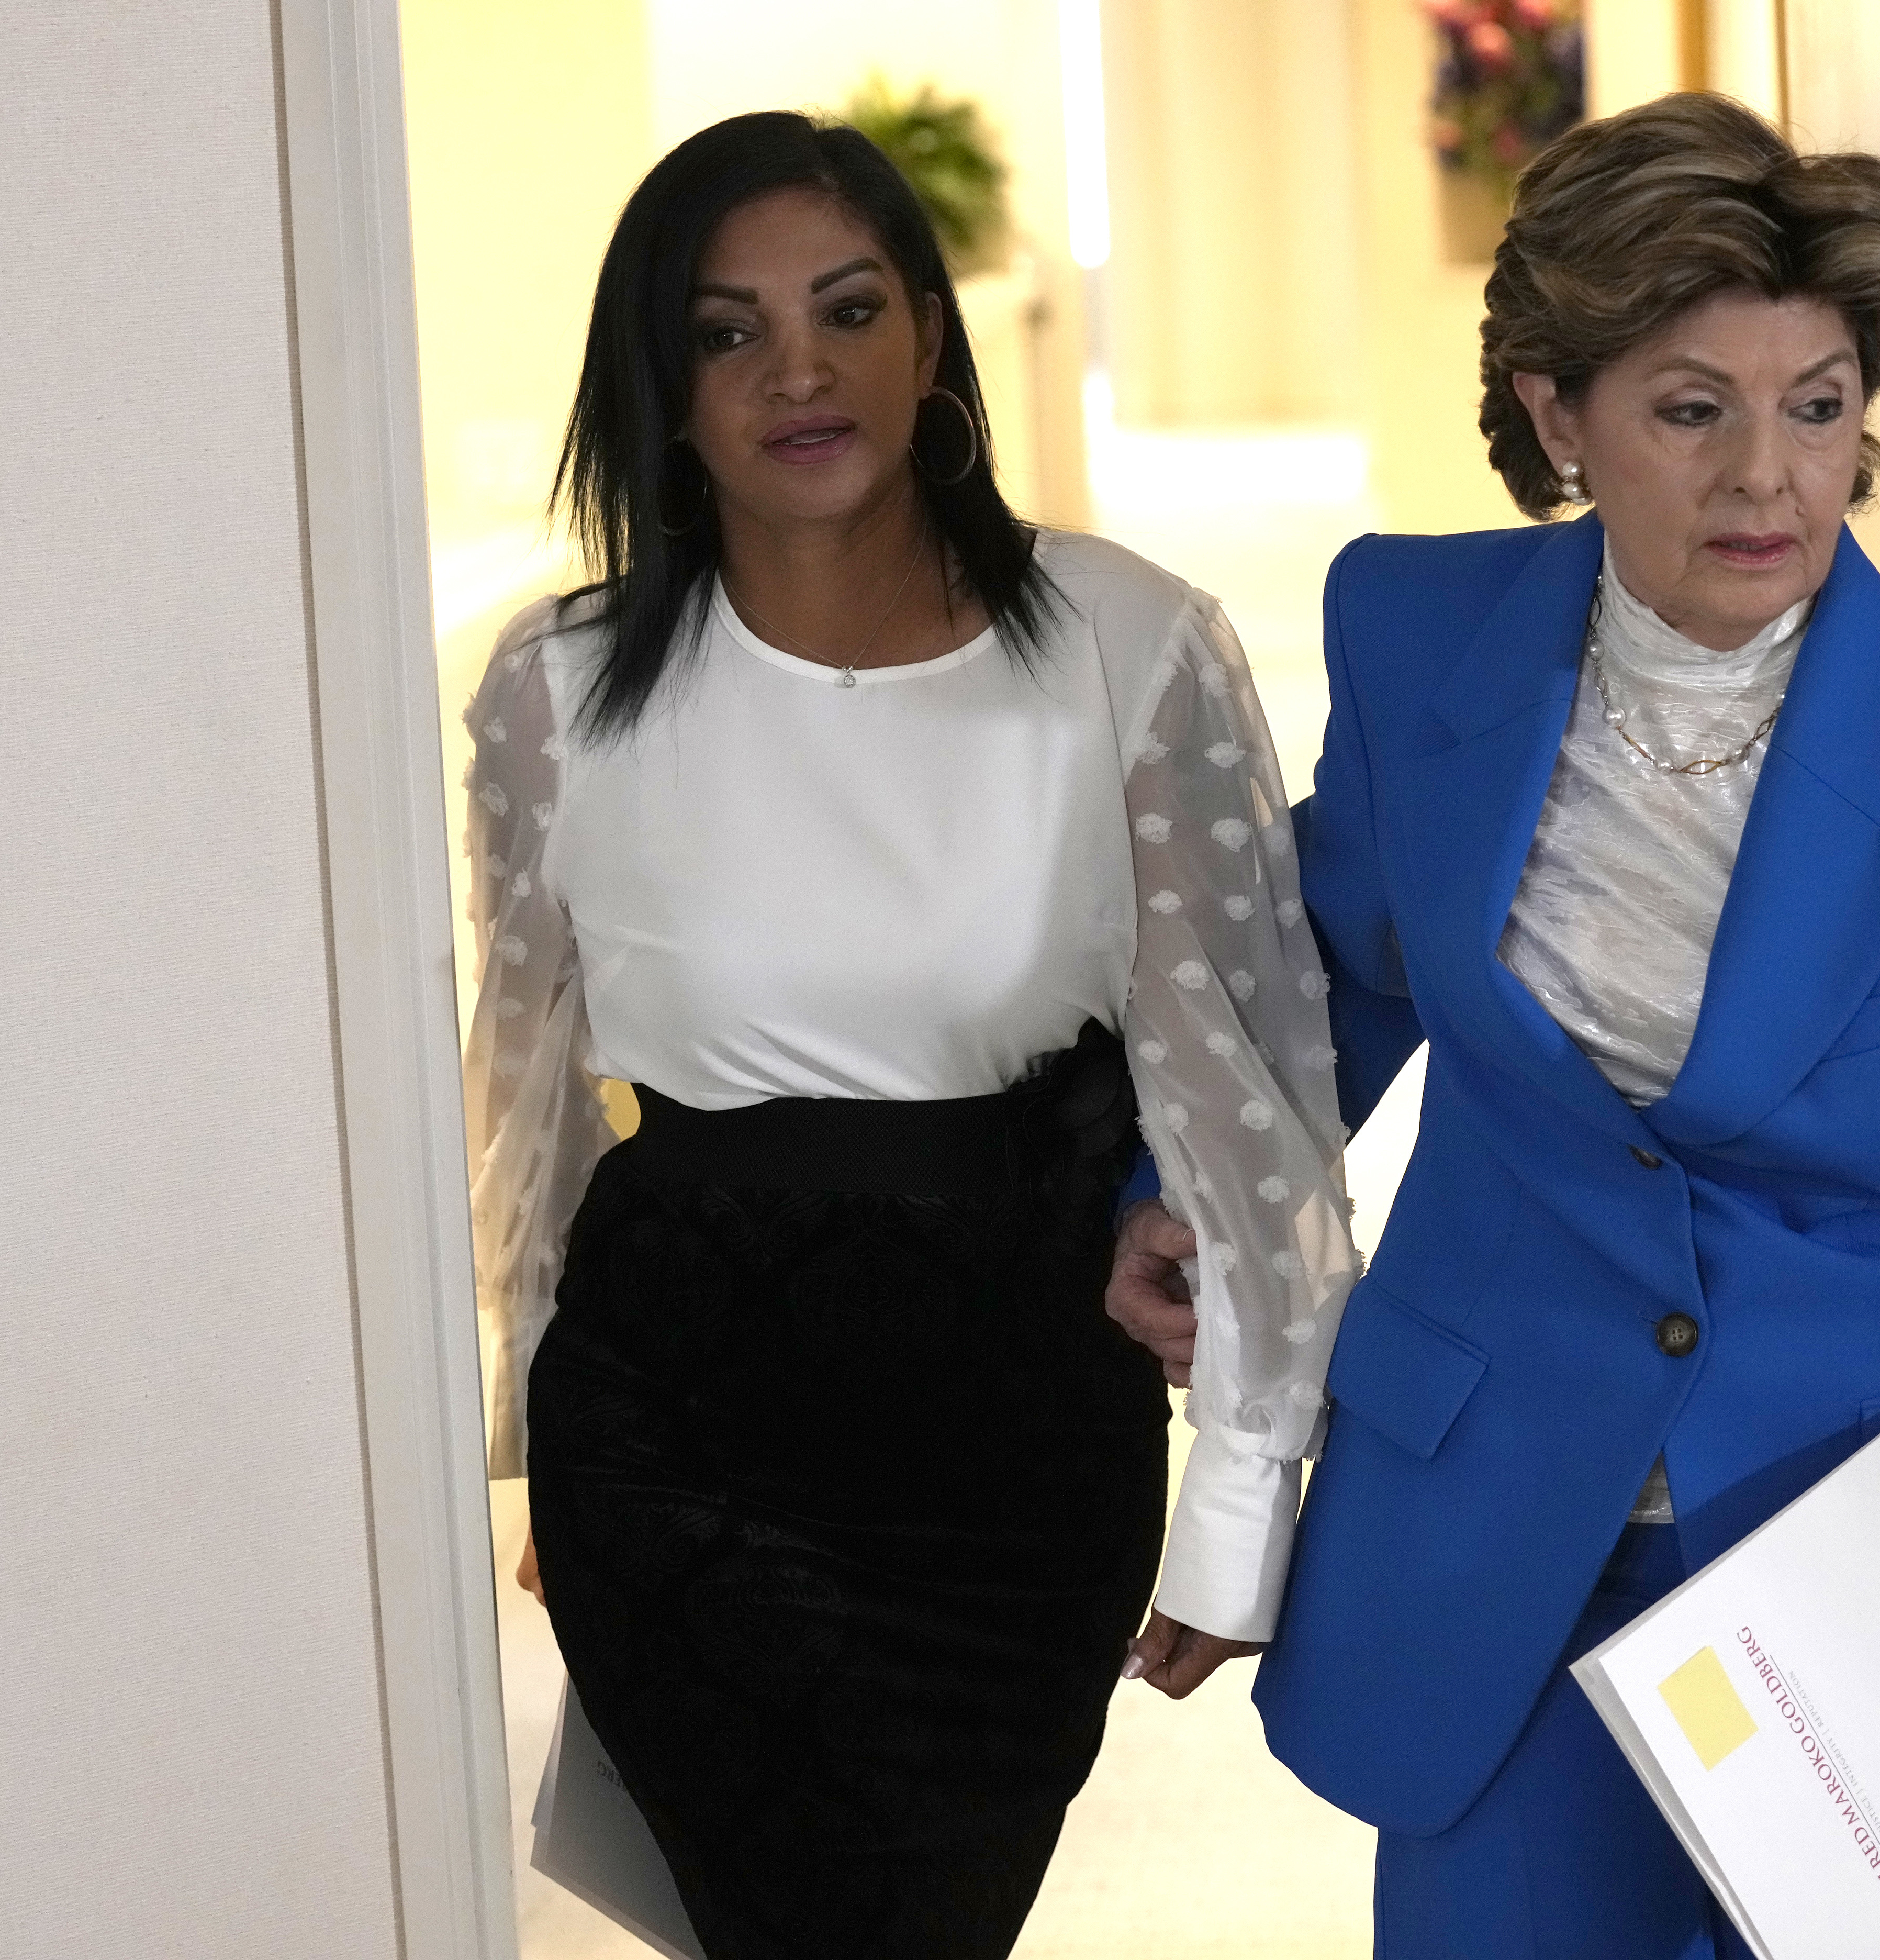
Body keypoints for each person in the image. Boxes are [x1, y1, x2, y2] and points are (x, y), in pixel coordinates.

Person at [1106, 94, 1880, 1959]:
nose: (1767, 478)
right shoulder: (1414, 631)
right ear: (1559, 414)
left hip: (1853, 1578)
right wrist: (1178, 1193)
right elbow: (1324, 968)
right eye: (1692, 408)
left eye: (1820, 402)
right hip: (1487, 1538)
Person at [460, 112, 1355, 1960]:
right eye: (729, 331)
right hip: (675, 1428)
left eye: (849, 308)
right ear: (669, 386)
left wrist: (1243, 1498)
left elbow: (1248, 1089)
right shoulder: (554, 688)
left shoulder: (1132, 644)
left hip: (1016, 1440)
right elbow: (529, 1096)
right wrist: (537, 1436)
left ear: (931, 342)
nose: (799, 369)